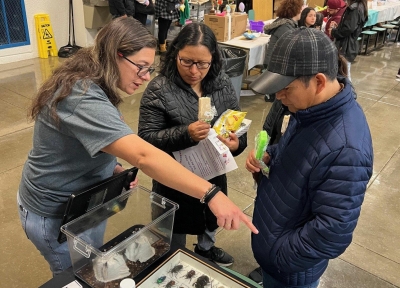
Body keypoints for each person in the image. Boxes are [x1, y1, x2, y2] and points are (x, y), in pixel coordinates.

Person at [17, 18, 257, 276]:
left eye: (149, 68)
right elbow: (143, 153)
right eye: (141, 67)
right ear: (115, 55)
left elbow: (91, 140)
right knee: (76, 276)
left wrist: (111, 168)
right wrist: (211, 194)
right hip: (55, 212)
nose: (144, 77)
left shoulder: (99, 83)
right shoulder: (81, 95)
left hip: (85, 202)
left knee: (92, 266)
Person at [245, 27, 373, 288]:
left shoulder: (347, 149)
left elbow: (332, 232)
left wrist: (277, 254)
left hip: (290, 271)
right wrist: (271, 155)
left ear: (319, 82)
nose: (279, 97)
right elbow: (299, 153)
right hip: (276, 240)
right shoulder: (310, 109)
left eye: (286, 88)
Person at [138, 22, 247, 267]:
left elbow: (238, 128)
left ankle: (206, 249)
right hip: (174, 178)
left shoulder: (221, 83)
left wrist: (235, 144)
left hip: (213, 172)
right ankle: (173, 258)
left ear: (213, 60)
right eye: (186, 61)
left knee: (210, 216)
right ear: (175, 53)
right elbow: (145, 139)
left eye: (203, 64)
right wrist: (184, 133)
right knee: (173, 226)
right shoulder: (159, 88)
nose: (194, 71)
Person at [260, 0, 303, 102]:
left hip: (275, 62)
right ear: (295, 11)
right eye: (300, 10)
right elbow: (291, 47)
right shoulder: (285, 27)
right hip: (275, 64)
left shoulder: (285, 23)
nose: (301, 12)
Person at [332, 0, 368, 81]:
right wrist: (339, 27)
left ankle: (350, 93)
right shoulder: (359, 6)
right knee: (344, 73)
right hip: (349, 45)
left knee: (345, 74)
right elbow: (351, 27)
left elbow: (348, 29)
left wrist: (334, 32)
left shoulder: (354, 8)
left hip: (346, 46)